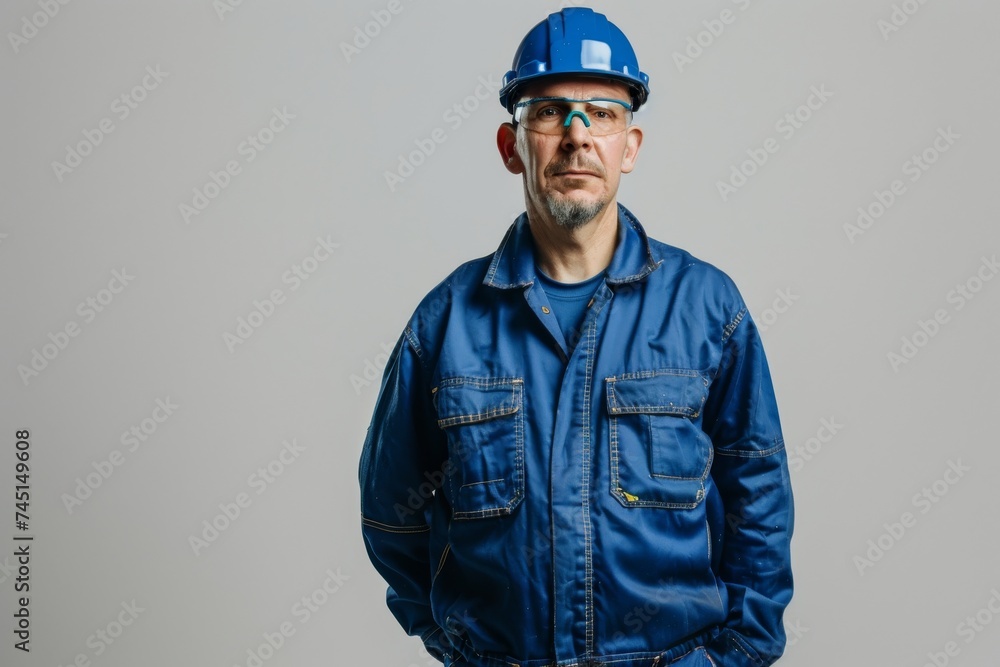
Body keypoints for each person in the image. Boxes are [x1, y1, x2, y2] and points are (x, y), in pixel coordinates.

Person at [359, 8, 794, 667]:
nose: (577, 136)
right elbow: (392, 517)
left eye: (603, 112)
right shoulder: (444, 323)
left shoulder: (708, 309)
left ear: (631, 145)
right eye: (548, 113)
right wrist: (461, 646)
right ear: (511, 146)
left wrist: (731, 657)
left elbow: (757, 504)